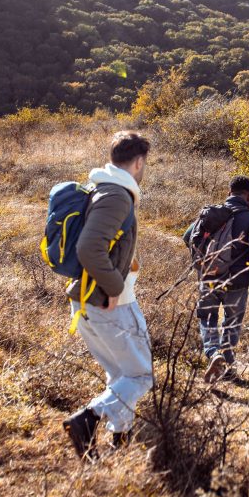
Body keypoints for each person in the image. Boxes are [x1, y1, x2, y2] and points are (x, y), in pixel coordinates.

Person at [63, 131, 153, 460]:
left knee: (120, 375)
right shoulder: (117, 195)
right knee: (141, 375)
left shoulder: (102, 188)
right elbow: (89, 248)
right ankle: (87, 419)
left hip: (87, 299)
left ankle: (120, 442)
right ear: (139, 162)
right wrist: (115, 287)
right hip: (108, 301)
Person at [184, 175, 249, 382]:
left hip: (209, 278)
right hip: (237, 281)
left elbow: (187, 237)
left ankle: (214, 353)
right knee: (231, 322)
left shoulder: (211, 214)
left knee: (207, 318)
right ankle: (226, 363)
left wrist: (204, 263)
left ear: (229, 192)